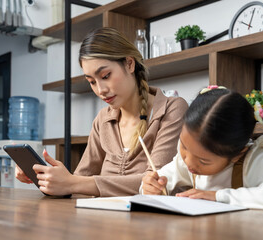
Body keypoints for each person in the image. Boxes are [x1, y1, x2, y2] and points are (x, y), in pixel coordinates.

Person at [15, 27, 188, 197]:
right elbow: (80, 180)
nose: (100, 90)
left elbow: (154, 183)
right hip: (102, 220)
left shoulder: (172, 109)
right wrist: (47, 177)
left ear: (129, 64)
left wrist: (72, 183)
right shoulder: (103, 119)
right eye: (91, 81)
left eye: (105, 76)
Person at [141, 85, 263, 210]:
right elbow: (158, 183)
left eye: (203, 160)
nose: (188, 162)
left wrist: (219, 197)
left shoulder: (253, 161)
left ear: (237, 155)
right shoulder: (186, 161)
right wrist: (150, 187)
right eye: (184, 146)